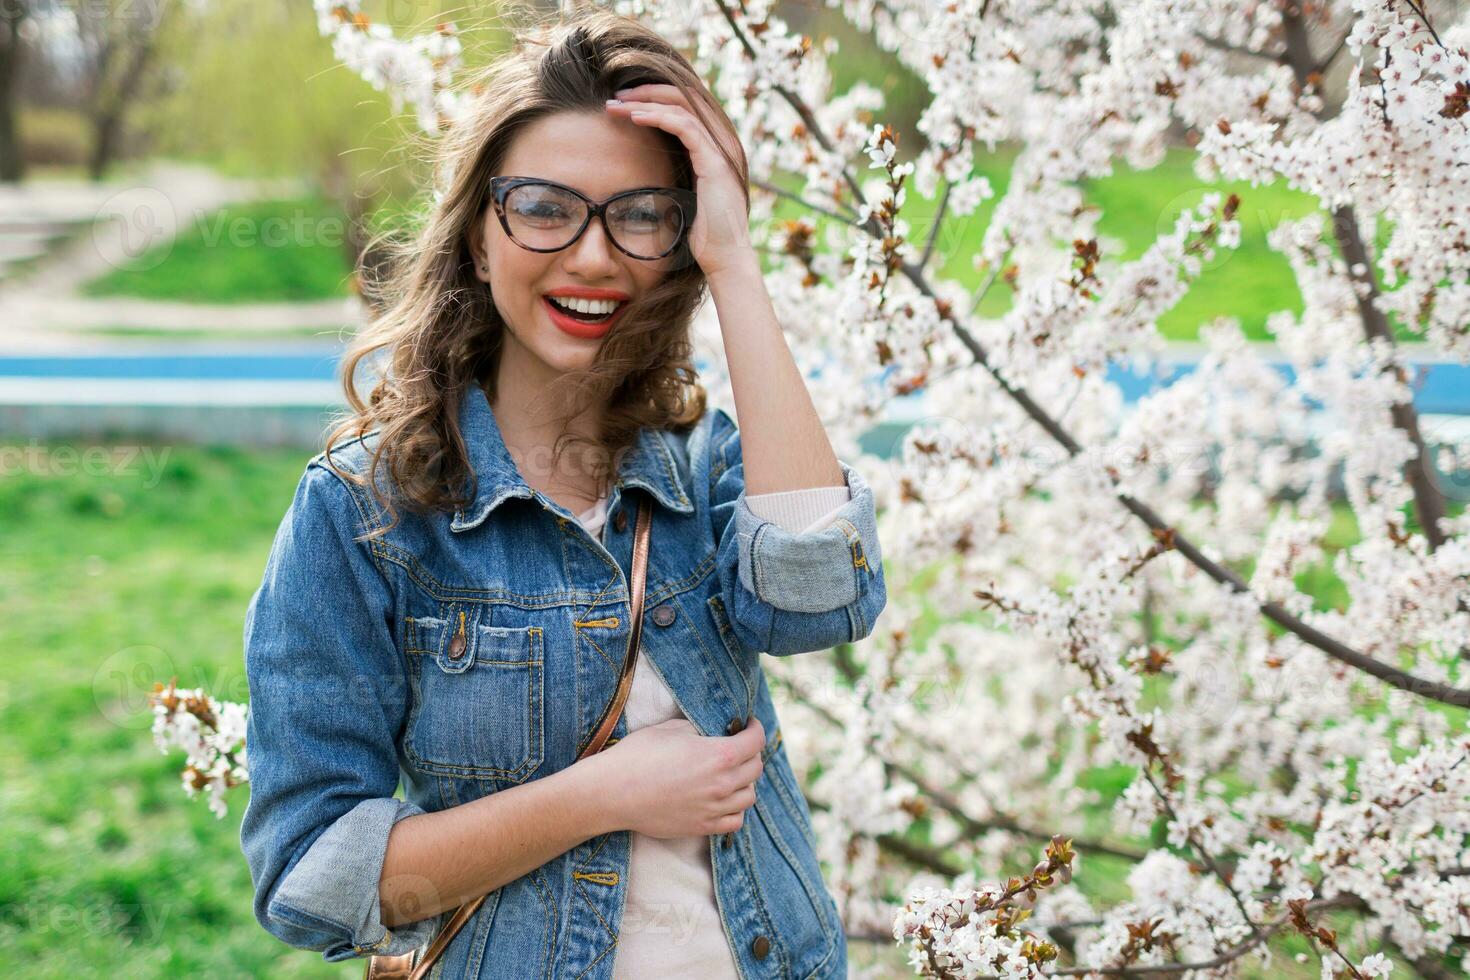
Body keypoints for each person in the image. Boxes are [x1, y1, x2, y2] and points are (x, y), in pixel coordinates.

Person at [239, 8, 887, 979]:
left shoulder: (705, 469)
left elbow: (820, 602)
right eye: (545, 206)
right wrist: (604, 793)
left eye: (640, 215)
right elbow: (314, 877)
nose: (592, 255)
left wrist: (735, 266)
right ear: (477, 231)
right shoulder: (361, 513)